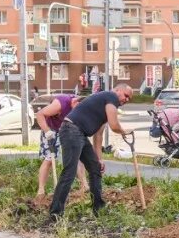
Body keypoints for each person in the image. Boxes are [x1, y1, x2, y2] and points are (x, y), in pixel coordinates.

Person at [48, 84, 133, 219]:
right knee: (69, 172)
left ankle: (98, 208)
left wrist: (99, 159)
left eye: (129, 98)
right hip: (71, 130)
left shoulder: (104, 107)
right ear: (117, 91)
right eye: (126, 95)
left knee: (95, 168)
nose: (127, 100)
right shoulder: (110, 96)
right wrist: (124, 132)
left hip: (79, 133)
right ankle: (55, 213)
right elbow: (114, 125)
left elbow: (98, 136)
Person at [34, 91, 81, 199]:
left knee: (77, 157)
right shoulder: (61, 102)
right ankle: (41, 190)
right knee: (49, 159)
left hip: (66, 129)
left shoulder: (81, 108)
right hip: (51, 130)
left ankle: (84, 185)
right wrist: (47, 131)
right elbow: (40, 114)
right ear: (74, 102)